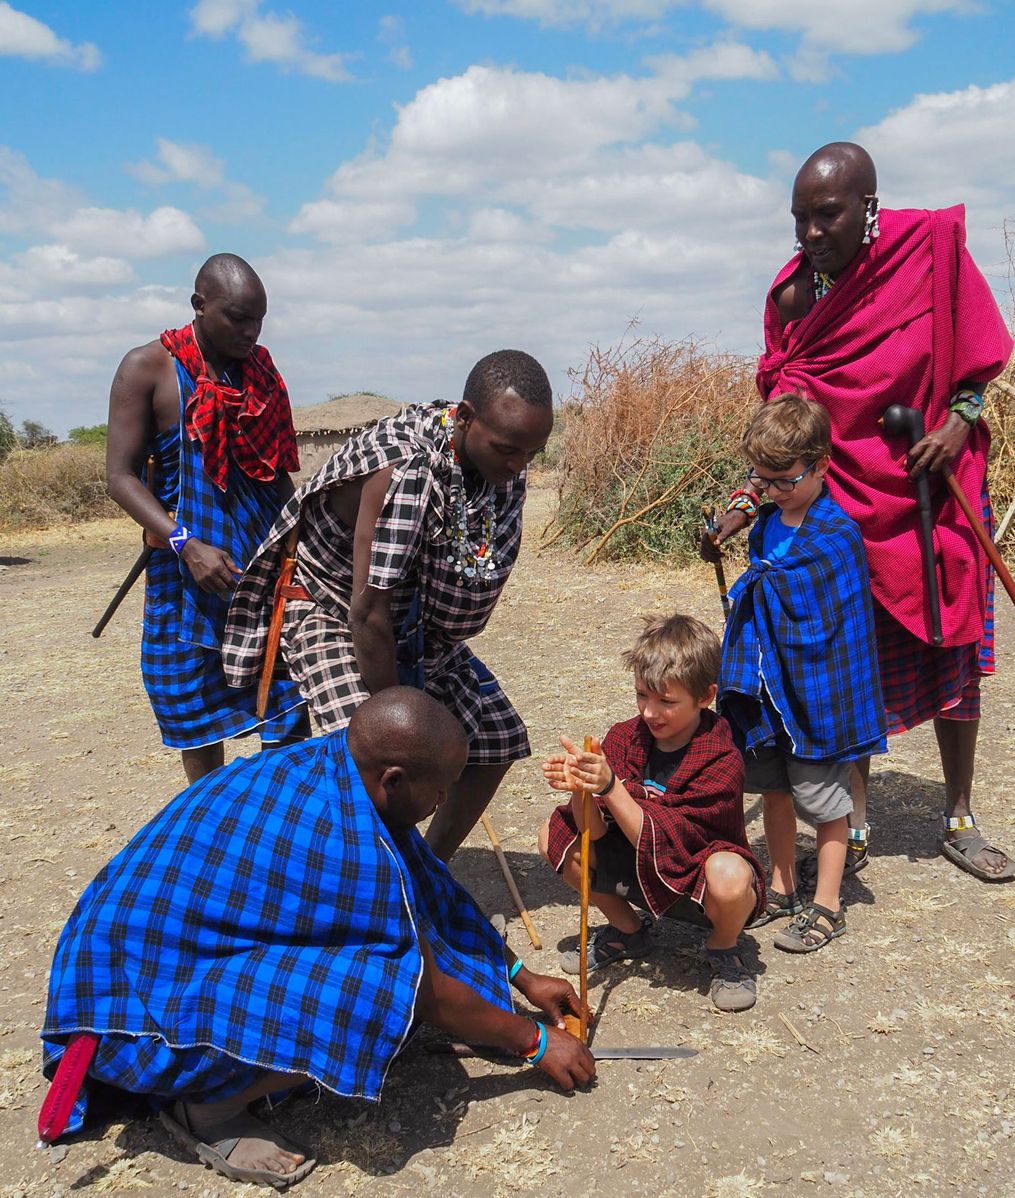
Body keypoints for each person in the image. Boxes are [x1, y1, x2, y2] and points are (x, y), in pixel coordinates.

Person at [40, 688, 595, 1190]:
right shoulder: (343, 838)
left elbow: (428, 889)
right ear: (395, 779)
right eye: (442, 790)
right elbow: (421, 988)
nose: (444, 803)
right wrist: (535, 1041)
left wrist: (520, 975)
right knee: (377, 999)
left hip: (147, 964)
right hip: (127, 1022)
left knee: (399, 952)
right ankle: (209, 1108)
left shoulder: (340, 765)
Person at [706, 142, 1015, 882]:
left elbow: (980, 369)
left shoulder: (932, 254)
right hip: (842, 497)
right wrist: (748, 499)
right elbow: (785, 423)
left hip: (933, 484)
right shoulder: (793, 299)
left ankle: (959, 815)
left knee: (956, 647)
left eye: (827, 214)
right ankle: (854, 820)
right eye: (799, 218)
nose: (811, 232)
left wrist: (955, 424)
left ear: (869, 209)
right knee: (848, 659)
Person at [223, 350, 553, 862]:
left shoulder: (491, 468)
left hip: (413, 627)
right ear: (465, 417)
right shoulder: (405, 472)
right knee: (381, 769)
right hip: (335, 616)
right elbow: (367, 613)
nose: (517, 467)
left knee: (498, 737)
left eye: (531, 454)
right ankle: (372, 893)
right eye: (508, 450)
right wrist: (403, 720)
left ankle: (425, 873)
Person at [105, 253, 306, 783]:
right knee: (200, 725)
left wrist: (300, 540)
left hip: (261, 571)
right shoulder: (147, 368)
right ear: (198, 305)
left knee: (287, 709)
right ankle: (212, 835)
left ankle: (280, 835)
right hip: (188, 574)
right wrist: (184, 542)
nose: (250, 332)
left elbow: (276, 472)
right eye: (237, 319)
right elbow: (120, 477)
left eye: (258, 320)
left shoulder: (260, 372)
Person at [719, 396, 888, 952]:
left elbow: (835, 630)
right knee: (772, 790)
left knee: (824, 802)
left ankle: (828, 905)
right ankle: (786, 885)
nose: (770, 491)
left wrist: (761, 585)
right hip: (769, 691)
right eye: (761, 481)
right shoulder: (766, 522)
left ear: (820, 466)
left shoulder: (837, 537)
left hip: (817, 696)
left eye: (783, 481)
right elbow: (765, 592)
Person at [538, 614, 766, 1012]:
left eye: (666, 701)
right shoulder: (625, 737)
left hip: (698, 884)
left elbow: (679, 837)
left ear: (706, 696)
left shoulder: (722, 758)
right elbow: (593, 829)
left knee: (730, 875)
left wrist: (611, 787)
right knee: (553, 834)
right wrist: (582, 790)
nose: (649, 712)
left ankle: (723, 948)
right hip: (638, 868)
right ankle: (628, 931)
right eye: (642, 695)